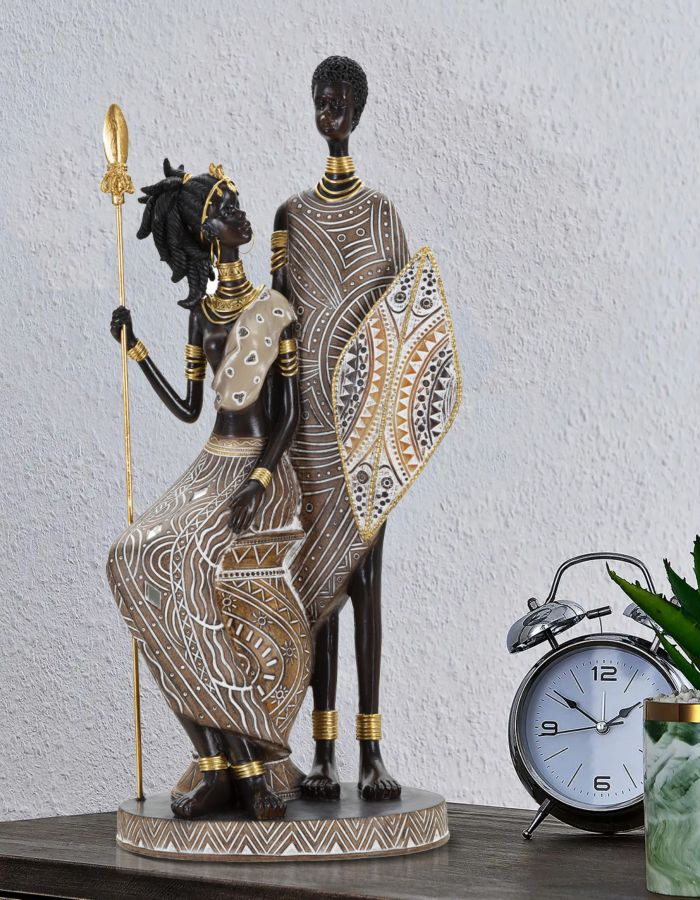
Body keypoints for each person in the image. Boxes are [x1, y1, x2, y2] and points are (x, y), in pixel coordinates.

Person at [106, 159, 311, 822]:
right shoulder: (202, 315)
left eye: (235, 202)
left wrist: (257, 483)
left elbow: (288, 416)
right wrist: (136, 350)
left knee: (186, 561)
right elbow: (190, 408)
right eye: (225, 209)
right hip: (210, 466)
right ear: (205, 233)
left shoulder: (274, 309)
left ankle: (247, 761)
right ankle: (219, 760)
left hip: (260, 471)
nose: (239, 214)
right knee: (130, 558)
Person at [271, 56, 407, 801]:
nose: (328, 113)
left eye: (339, 102)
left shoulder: (382, 215)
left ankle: (371, 750)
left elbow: (406, 324)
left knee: (368, 585)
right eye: (319, 101)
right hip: (310, 430)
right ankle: (322, 752)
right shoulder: (289, 217)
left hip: (369, 432)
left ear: (357, 109)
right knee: (319, 587)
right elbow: (274, 322)